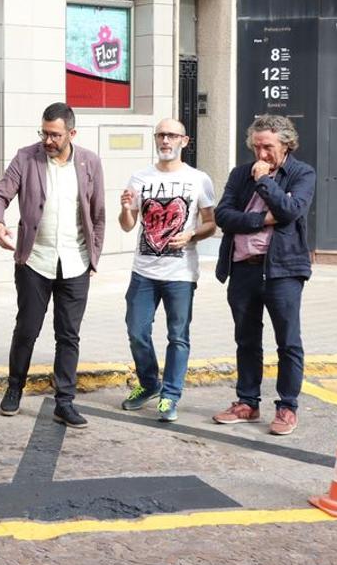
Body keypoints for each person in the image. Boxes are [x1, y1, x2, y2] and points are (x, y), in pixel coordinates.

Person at [0, 102, 105, 428]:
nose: (48, 141)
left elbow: (97, 214)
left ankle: (64, 402)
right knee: (27, 329)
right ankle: (14, 389)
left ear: (71, 133)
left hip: (76, 262)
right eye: (44, 133)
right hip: (35, 262)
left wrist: (94, 257)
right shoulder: (27, 157)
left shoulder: (89, 162)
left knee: (68, 335)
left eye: (55, 135)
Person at [212, 114, 316, 435]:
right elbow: (223, 216)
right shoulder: (239, 174)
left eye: (268, 147)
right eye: (256, 147)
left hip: (283, 271)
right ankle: (247, 402)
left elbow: (289, 210)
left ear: (285, 144)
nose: (261, 155)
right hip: (243, 268)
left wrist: (265, 182)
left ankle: (287, 407)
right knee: (246, 338)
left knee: (287, 341)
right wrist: (261, 220)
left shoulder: (302, 173)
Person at [118, 118, 216, 422]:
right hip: (144, 271)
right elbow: (127, 225)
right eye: (160, 135)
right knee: (136, 331)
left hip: (180, 275)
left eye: (172, 136)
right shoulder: (140, 178)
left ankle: (170, 396)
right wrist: (124, 208)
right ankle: (149, 384)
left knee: (178, 337)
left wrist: (191, 235)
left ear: (184, 141)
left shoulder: (198, 179)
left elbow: (211, 224)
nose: (165, 141)